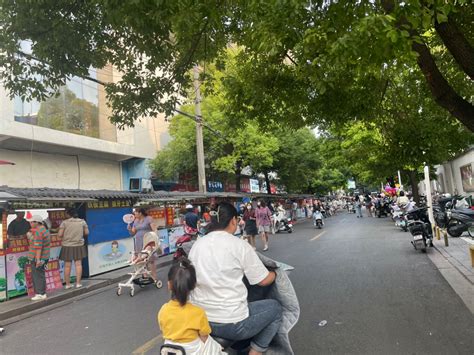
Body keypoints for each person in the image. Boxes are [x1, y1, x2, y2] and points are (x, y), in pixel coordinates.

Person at [189, 202, 281, 355]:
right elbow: (263, 280)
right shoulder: (239, 245)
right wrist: (277, 273)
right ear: (233, 220)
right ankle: (255, 352)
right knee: (275, 308)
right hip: (232, 323)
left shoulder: (197, 245)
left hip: (200, 320)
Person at [158, 258, 224, 354]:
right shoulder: (198, 312)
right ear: (193, 286)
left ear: (169, 285)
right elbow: (204, 337)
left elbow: (163, 330)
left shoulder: (163, 310)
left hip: (169, 350)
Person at [58, 208, 89, 289]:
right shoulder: (82, 222)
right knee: (78, 264)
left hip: (67, 245)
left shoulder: (64, 223)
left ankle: (67, 284)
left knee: (67, 266)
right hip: (78, 245)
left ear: (68, 214)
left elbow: (60, 235)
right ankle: (78, 283)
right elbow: (87, 232)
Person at [128, 208, 158, 281]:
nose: (134, 214)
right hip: (138, 242)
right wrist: (129, 229)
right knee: (142, 260)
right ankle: (145, 276)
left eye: (135, 213)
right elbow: (133, 233)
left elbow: (154, 230)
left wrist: (155, 240)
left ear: (140, 213)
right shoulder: (135, 221)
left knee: (150, 260)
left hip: (148, 242)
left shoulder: (149, 219)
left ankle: (154, 277)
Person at [27, 215, 51, 301]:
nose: (30, 223)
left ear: (36, 222)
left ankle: (40, 293)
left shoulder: (38, 232)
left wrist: (37, 260)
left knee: (37, 275)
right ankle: (42, 293)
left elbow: (38, 248)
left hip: (38, 257)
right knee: (40, 274)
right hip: (44, 256)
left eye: (31, 222)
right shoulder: (45, 230)